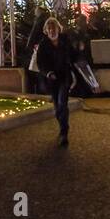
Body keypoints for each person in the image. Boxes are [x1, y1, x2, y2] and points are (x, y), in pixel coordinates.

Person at [35, 17, 76, 146]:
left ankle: (64, 133)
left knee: (62, 102)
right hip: (52, 80)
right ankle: (62, 128)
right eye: (49, 29)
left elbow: (74, 55)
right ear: (46, 31)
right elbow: (40, 63)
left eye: (54, 28)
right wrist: (48, 73)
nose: (52, 31)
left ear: (59, 29)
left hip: (64, 77)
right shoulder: (43, 45)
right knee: (58, 108)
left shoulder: (65, 41)